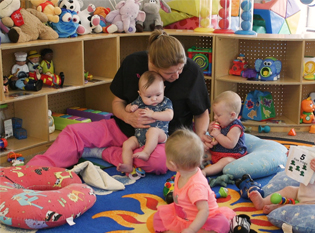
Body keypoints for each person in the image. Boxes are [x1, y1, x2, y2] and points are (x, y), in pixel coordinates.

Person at [27, 30, 211, 175]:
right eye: (170, 73)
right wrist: (128, 118)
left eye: (180, 69)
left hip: (163, 140)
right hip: (123, 129)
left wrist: (201, 138)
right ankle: (34, 171)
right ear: (153, 65)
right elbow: (117, 102)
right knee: (72, 132)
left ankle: (104, 153)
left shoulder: (191, 71)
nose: (177, 75)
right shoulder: (133, 62)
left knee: (160, 163)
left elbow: (201, 112)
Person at [249, 111, 315, 214]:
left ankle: (277, 208)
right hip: (304, 192)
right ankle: (263, 202)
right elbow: (303, 155)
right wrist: (293, 155)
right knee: (288, 190)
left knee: (295, 208)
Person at [153, 128, 236, 233]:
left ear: (172, 164)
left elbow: (204, 211)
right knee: (157, 218)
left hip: (203, 219)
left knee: (222, 225)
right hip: (182, 215)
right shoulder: (183, 172)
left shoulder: (196, 186)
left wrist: (192, 230)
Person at [117, 71, 173, 174]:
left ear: (163, 89)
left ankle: (146, 153)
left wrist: (153, 114)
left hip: (160, 136)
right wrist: (130, 108)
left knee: (152, 131)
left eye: (158, 94)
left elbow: (169, 115)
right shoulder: (139, 101)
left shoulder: (165, 102)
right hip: (139, 136)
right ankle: (128, 165)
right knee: (127, 144)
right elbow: (127, 107)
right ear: (140, 94)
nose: (154, 99)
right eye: (148, 96)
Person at [202, 91, 247, 176]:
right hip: (217, 153)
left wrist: (218, 135)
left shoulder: (235, 127)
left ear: (232, 115)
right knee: (203, 152)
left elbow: (230, 144)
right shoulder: (223, 122)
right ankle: (191, 166)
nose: (215, 117)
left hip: (232, 155)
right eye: (214, 114)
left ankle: (204, 172)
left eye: (218, 115)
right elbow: (215, 139)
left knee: (224, 162)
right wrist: (211, 130)